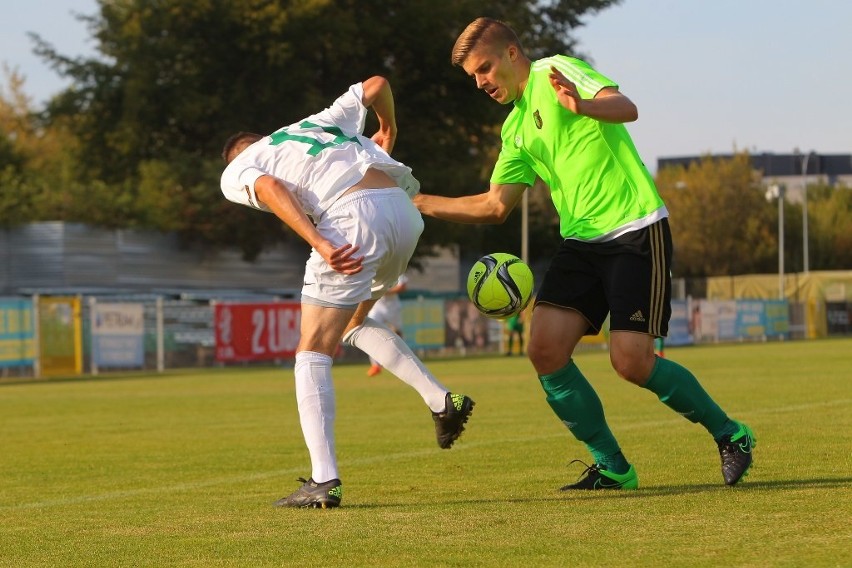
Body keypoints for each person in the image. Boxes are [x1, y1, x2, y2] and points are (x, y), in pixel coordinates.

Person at [413, 17, 755, 490]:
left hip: (635, 228)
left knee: (631, 362)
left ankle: (731, 434)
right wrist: (420, 203)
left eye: (485, 68)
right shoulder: (515, 129)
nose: (481, 82)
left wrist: (582, 105)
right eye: (473, 76)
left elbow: (626, 107)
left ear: (512, 54)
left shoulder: (555, 71)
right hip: (581, 243)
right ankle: (613, 465)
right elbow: (494, 205)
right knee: (544, 350)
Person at [220, 76, 475, 508]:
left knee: (312, 349)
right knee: (354, 323)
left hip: (351, 220)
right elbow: (377, 85)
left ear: (234, 156)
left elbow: (270, 188)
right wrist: (388, 128)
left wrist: (319, 242)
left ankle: (323, 480)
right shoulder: (314, 123)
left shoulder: (238, 169)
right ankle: (440, 400)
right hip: (403, 212)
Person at [365, 273, 408, 376]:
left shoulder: (395, 266)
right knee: (369, 331)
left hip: (392, 308)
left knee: (398, 334)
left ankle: (404, 360)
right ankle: (375, 365)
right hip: (377, 307)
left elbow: (402, 287)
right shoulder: (372, 267)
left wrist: (385, 292)